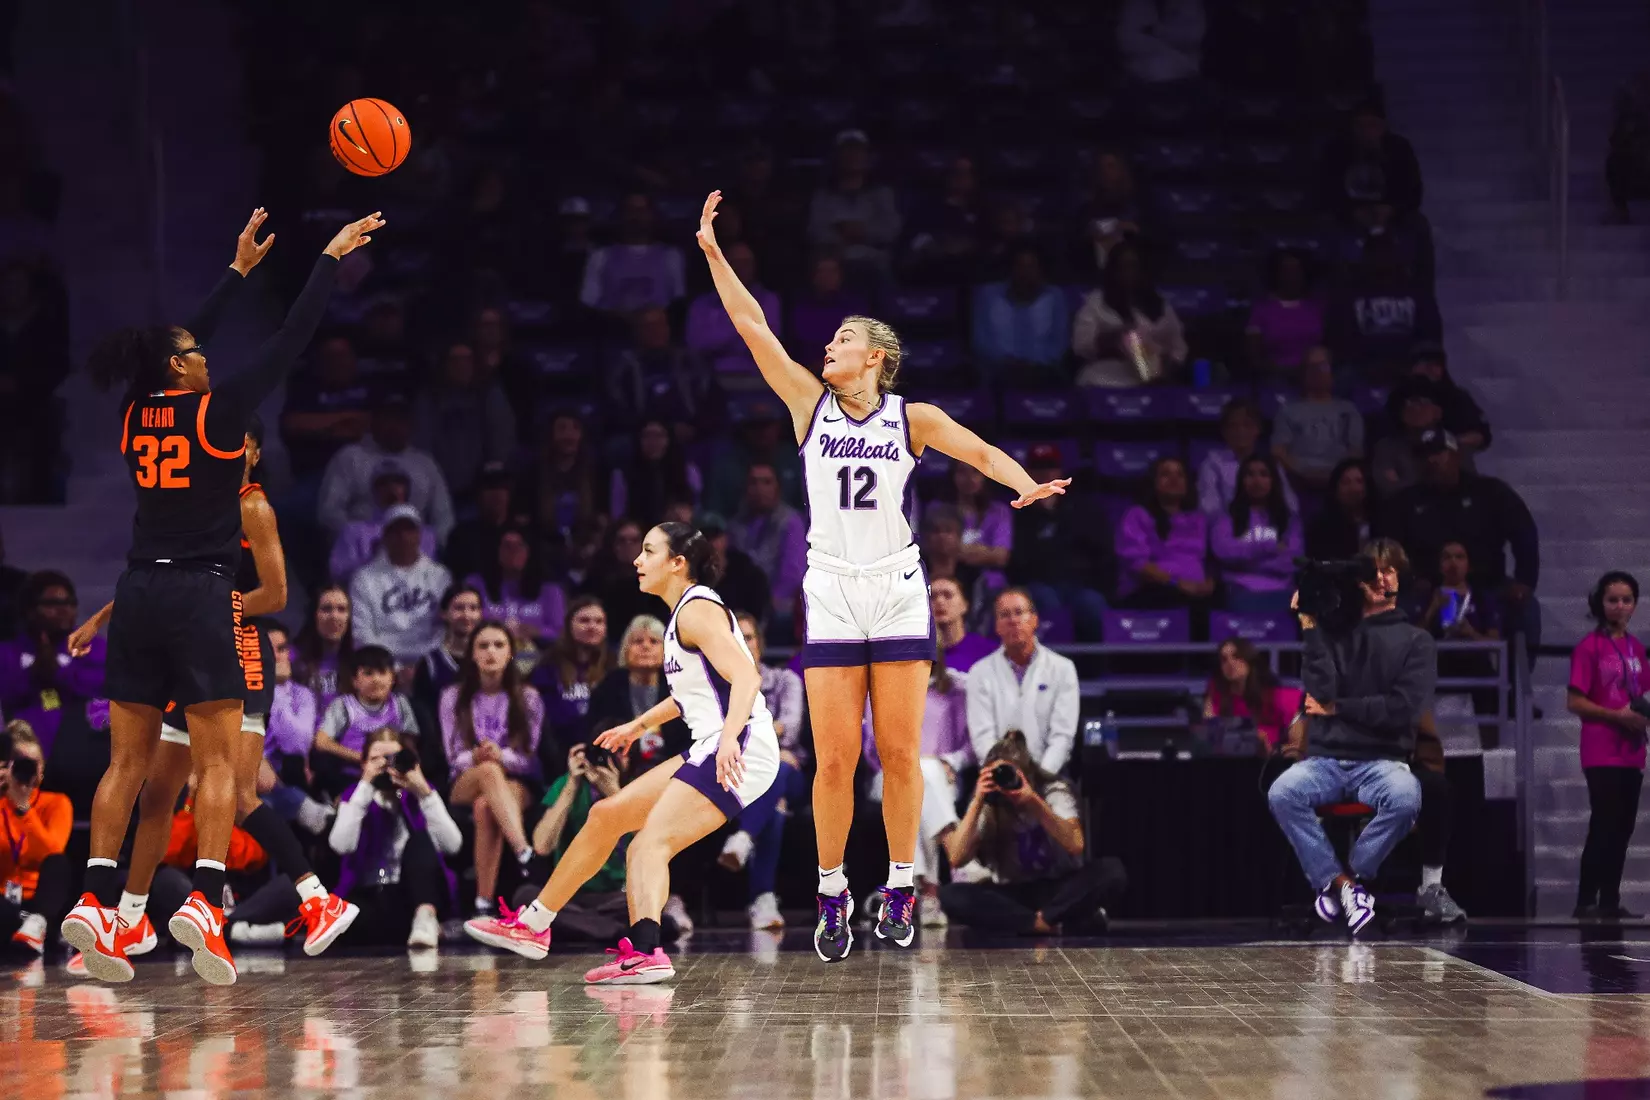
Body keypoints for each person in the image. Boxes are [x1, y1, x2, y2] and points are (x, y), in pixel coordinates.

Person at [695, 189, 1069, 960]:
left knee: (900, 754)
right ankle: (832, 891)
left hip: (897, 588)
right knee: (835, 759)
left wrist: (1024, 483)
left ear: (875, 357)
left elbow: (979, 451)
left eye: (842, 339)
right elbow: (751, 325)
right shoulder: (808, 405)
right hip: (832, 588)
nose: (826, 347)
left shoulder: (911, 418)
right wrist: (713, 253)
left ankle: (901, 881)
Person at [63, 208, 380, 986]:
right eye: (196, 353)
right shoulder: (222, 413)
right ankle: (206, 898)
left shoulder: (136, 412)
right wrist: (329, 259)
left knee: (127, 764)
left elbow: (171, 344)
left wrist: (236, 274)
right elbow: (292, 337)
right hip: (200, 594)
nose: (207, 354)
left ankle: (98, 900)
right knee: (214, 764)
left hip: (137, 588)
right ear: (181, 369)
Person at [68, 420, 360, 969]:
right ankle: (129, 920)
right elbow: (161, 582)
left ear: (254, 453)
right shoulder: (191, 505)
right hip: (187, 648)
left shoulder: (252, 505)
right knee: (158, 793)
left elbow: (276, 594)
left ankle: (316, 898)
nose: (226, 450)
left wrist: (210, 610)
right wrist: (105, 617)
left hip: (237, 649)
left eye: (238, 443)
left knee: (238, 792)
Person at [465, 523, 782, 983]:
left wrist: (731, 737)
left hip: (739, 744)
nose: (637, 560)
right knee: (606, 816)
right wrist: (638, 725)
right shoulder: (682, 615)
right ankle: (533, 925)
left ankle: (647, 952)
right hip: (713, 742)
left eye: (649, 551)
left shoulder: (697, 609)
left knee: (649, 844)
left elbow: (747, 678)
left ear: (678, 563)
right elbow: (694, 694)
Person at [1268, 538, 1433, 933]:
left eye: (1389, 570)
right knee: (1282, 792)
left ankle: (1350, 878)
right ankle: (1343, 886)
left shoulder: (1417, 641)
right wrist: (1309, 625)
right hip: (1326, 759)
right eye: (1371, 570)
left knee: (1406, 797)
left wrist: (1339, 709)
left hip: (1383, 760)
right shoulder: (1334, 631)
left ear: (1400, 579)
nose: (1380, 578)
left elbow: (1400, 711)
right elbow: (1321, 688)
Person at [939, 730, 1126, 934]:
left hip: (1057, 887)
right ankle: (1049, 922)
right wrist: (977, 800)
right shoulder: (989, 803)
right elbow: (956, 858)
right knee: (950, 895)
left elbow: (1075, 844)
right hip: (1013, 892)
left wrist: (1032, 800)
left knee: (1112, 871)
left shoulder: (1053, 790)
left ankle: (1037, 921)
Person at [1384, 429, 1541, 659]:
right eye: (1424, 455)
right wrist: (1410, 579)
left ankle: (1517, 682)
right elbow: (1389, 551)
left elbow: (1524, 532)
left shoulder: (1490, 492)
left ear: (1456, 456)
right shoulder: (1404, 502)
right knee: (1393, 611)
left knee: (1527, 610)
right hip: (1428, 587)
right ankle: (1402, 679)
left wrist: (1525, 581)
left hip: (1488, 584)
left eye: (1439, 453)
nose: (1432, 460)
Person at [861, 643, 973, 929]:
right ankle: (953, 857)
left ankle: (919, 889)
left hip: (944, 778)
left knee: (923, 777)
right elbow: (872, 749)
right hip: (888, 776)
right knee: (914, 777)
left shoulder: (957, 689)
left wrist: (949, 761)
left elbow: (970, 747)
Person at [442, 621, 545, 918]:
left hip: (516, 782)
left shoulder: (528, 697)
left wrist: (502, 756)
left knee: (486, 806)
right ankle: (524, 851)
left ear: (510, 652)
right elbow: (453, 756)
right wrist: (477, 757)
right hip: (466, 780)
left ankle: (483, 904)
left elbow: (528, 759)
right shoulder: (452, 696)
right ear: (472, 654)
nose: (491, 652)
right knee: (488, 771)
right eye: (483, 645)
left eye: (499, 645)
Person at [328, 728, 462, 948]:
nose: (385, 766)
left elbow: (453, 845)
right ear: (363, 764)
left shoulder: (420, 794)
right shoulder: (354, 796)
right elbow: (341, 845)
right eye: (376, 760)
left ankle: (425, 918)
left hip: (414, 897)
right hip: (370, 897)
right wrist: (366, 786)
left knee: (419, 841)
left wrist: (424, 792)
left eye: (393, 759)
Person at [718, 611, 808, 930]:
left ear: (761, 642)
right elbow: (712, 738)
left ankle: (744, 837)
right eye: (736, 638)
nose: (743, 644)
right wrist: (767, 742)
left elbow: (790, 728)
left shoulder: (785, 680)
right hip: (737, 774)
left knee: (779, 768)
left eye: (749, 637)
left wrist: (741, 738)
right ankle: (763, 899)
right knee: (774, 808)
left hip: (787, 773)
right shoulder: (717, 688)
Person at [1567, 571, 1648, 921]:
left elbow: (1642, 695)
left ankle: (1610, 901)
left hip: (1632, 750)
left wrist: (1640, 716)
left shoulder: (1636, 648)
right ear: (1600, 603)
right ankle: (1586, 900)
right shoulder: (1590, 647)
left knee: (1623, 826)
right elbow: (1575, 701)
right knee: (1604, 822)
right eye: (1613, 600)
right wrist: (1617, 716)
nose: (1619, 606)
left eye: (1626, 600)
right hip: (1601, 749)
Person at [516, 742, 635, 943]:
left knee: (649, 904)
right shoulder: (567, 784)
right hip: (566, 895)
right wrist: (571, 784)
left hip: (615, 895)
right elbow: (542, 846)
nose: (611, 759)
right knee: (525, 896)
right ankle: (611, 931)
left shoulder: (636, 786)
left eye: (620, 752)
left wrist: (614, 792)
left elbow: (650, 838)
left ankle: (580, 927)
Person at [318, 393, 456, 547]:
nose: (395, 426)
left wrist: (429, 544)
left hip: (415, 549)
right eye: (388, 418)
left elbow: (444, 516)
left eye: (401, 419)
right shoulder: (350, 457)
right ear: (374, 421)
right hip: (362, 548)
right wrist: (361, 538)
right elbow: (329, 511)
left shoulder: (425, 463)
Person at [967, 590, 1080, 774]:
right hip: (998, 775)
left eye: (1019, 612)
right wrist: (1006, 777)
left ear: (1034, 620)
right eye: (1005, 615)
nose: (1013, 620)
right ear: (997, 626)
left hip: (1049, 775)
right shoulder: (979, 673)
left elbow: (1062, 737)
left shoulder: (1063, 669)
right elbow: (982, 738)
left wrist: (1040, 777)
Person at [1007, 445, 1112, 641]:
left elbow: (1101, 552)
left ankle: (1094, 661)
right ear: (1028, 473)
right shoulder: (1018, 510)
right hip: (1038, 584)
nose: (1045, 474)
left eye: (1050, 467)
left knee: (1092, 603)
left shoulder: (1083, 509)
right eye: (1038, 468)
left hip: (1079, 585)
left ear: (1060, 471)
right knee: (1046, 600)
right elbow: (1016, 559)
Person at [0, 569, 104, 755]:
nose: (64, 610)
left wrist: (60, 673)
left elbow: (108, 686)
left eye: (70, 603)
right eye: (52, 604)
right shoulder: (8, 653)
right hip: (26, 757)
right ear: (29, 610)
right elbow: (6, 694)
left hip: (85, 753)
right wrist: (33, 674)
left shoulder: (94, 647)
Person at [348, 503, 453, 668]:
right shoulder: (363, 579)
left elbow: (446, 630)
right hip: (381, 665)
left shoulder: (440, 576)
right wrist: (393, 668)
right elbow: (362, 634)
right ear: (385, 536)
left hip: (430, 662)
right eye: (396, 531)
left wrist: (421, 667)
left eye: (409, 530)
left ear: (419, 535)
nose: (403, 536)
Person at [410, 341, 516, 501]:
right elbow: (422, 446)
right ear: (444, 364)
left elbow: (500, 444)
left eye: (467, 360)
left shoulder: (490, 394)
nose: (462, 366)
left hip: (481, 491)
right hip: (437, 489)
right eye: (456, 360)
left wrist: (489, 482)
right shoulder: (428, 399)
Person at [0, 722, 72, 954]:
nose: (27, 770)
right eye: (20, 763)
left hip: (42, 903)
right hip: (4, 901)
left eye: (34, 763)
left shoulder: (57, 803)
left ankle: (36, 923)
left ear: (42, 768)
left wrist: (25, 809)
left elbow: (51, 852)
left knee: (58, 862)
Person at [1072, 242, 1187, 387]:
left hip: (1152, 379)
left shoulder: (1159, 304)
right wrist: (1110, 338)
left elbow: (1178, 348)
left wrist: (1165, 372)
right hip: (1103, 377)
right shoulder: (1097, 303)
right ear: (1112, 271)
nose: (1127, 273)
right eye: (1121, 267)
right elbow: (1080, 346)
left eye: (1133, 266)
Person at [311, 645, 421, 796]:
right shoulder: (343, 706)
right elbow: (321, 742)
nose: (376, 679)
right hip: (352, 777)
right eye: (368, 673)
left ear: (392, 678)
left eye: (382, 673)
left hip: (394, 776)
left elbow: (410, 740)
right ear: (355, 681)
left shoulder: (400, 703)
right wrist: (361, 758)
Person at [1115, 455, 1213, 609]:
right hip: (1153, 589)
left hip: (1194, 591)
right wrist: (1176, 583)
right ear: (1153, 482)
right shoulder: (1137, 515)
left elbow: (1206, 561)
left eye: (1180, 475)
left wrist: (1209, 583)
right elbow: (1137, 564)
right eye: (1165, 474)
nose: (1174, 479)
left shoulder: (1197, 519)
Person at [1211, 455, 1303, 614]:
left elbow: (1293, 562)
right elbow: (1223, 552)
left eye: (1264, 474)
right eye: (1250, 474)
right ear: (1241, 481)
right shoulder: (1226, 518)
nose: (1257, 481)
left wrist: (1243, 563)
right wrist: (1270, 548)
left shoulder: (1290, 519)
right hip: (1239, 589)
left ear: (1274, 480)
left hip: (1282, 592)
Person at [686, 241, 781, 391]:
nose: (741, 267)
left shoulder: (768, 300)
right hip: (713, 378)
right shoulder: (702, 304)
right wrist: (743, 329)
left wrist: (719, 338)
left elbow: (767, 344)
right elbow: (697, 343)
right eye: (735, 262)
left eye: (746, 262)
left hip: (758, 378)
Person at [807, 131, 902, 282]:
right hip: (834, 259)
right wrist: (841, 236)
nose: (853, 156)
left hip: (874, 259)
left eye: (858, 151)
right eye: (847, 151)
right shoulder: (823, 195)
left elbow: (891, 230)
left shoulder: (882, 193)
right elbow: (815, 231)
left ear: (867, 157)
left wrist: (862, 231)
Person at [970, 246, 1071, 383]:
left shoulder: (1055, 296)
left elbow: (1060, 343)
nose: (1025, 273)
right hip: (997, 372)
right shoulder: (988, 295)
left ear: (1041, 270)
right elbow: (981, 341)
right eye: (1020, 266)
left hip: (1042, 372)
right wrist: (1007, 363)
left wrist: (1033, 365)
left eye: (1031, 267)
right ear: (1011, 269)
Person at [728, 462, 806, 636]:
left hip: (779, 604)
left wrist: (766, 604)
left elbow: (792, 574)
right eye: (753, 482)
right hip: (744, 603)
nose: (759, 489)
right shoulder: (735, 525)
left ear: (778, 488)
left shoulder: (791, 522)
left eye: (766, 482)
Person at [1270, 347, 1363, 492]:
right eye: (1311, 367)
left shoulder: (1348, 409)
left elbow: (1356, 451)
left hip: (1342, 482)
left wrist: (1337, 475)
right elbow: (1278, 451)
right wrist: (1305, 474)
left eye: (1323, 366)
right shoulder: (1288, 410)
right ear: (1303, 373)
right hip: (1298, 481)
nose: (1317, 372)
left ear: (1332, 371)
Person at [327, 467, 440, 585]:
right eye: (383, 484)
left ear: (407, 489)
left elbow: (431, 575)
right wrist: (375, 559)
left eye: (398, 482)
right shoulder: (353, 531)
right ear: (374, 491)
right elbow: (337, 572)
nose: (391, 488)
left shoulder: (426, 534)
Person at [579, 192, 686, 315]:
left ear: (653, 215)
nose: (636, 216)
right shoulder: (600, 256)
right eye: (630, 210)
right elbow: (589, 303)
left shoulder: (672, 256)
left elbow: (678, 302)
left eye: (642, 210)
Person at [467, 523, 566, 648]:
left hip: (537, 654)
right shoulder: (475, 584)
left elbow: (559, 633)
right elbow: (468, 621)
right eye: (507, 546)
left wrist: (537, 631)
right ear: (496, 551)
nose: (513, 552)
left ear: (529, 552)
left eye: (519, 546)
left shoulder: (550, 590)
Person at [1198, 397, 1300, 516]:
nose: (1240, 431)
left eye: (1247, 425)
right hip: (1229, 524)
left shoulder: (1272, 464)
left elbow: (1291, 506)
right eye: (1233, 426)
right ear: (1224, 431)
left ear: (1258, 429)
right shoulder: (1212, 464)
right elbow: (1209, 508)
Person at [533, 596, 611, 748]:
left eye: (599, 621)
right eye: (584, 621)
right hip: (559, 749)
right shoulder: (548, 667)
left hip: (603, 748)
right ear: (569, 625)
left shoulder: (613, 666)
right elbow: (544, 724)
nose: (592, 627)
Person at [1205, 638, 1303, 753]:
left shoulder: (1280, 696)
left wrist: (1271, 751)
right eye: (1224, 660)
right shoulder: (1216, 694)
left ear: (1249, 659)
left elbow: (1298, 746)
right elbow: (1209, 737)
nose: (1230, 663)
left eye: (1236, 657)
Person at [930, 461, 1013, 595]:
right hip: (947, 577)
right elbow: (933, 549)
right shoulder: (937, 508)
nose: (969, 478)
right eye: (962, 472)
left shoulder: (999, 511)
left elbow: (1000, 557)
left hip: (991, 584)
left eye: (976, 472)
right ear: (953, 475)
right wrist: (984, 551)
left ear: (985, 475)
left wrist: (954, 550)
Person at [411, 583, 483, 730]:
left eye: (473, 608)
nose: (466, 615)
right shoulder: (430, 664)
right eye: (459, 608)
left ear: (481, 614)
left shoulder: (492, 660)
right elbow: (424, 715)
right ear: (444, 613)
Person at [1245, 250, 1326, 381]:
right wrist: (1284, 371)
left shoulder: (1316, 308)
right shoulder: (1261, 310)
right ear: (1277, 274)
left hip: (1314, 376)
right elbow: (1254, 358)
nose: (1292, 276)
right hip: (1275, 377)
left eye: (1296, 271)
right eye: (1286, 271)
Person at [609, 419, 701, 529]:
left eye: (659, 436)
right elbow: (618, 516)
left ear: (669, 439)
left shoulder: (687, 471)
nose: (653, 442)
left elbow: (696, 508)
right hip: (638, 531)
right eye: (647, 436)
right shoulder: (623, 474)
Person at [292, 584, 353, 710]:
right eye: (326, 609)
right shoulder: (292, 658)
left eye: (341, 609)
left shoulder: (358, 662)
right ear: (314, 615)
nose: (334, 616)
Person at [1306, 459, 1375, 561]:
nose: (1353, 488)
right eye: (1346, 482)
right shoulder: (1321, 527)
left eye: (1359, 481)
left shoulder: (1380, 520)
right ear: (1335, 489)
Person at [930, 576, 995, 673]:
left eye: (948, 595)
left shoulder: (988, 652)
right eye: (932, 597)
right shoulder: (915, 654)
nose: (939, 601)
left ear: (964, 605)